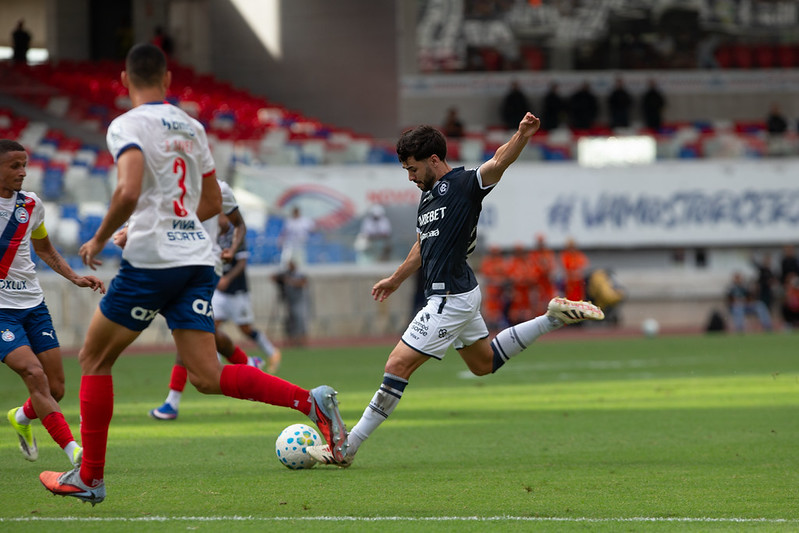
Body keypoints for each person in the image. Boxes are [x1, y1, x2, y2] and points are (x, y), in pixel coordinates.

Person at [39, 43, 347, 505]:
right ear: (167, 80)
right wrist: (166, 221)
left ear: (125, 80)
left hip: (153, 261)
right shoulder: (191, 126)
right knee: (205, 373)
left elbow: (126, 189)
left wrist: (104, 237)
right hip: (197, 258)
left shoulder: (127, 124)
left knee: (93, 359)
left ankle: (90, 476)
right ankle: (311, 401)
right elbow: (209, 202)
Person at [306, 113, 604, 467]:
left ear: (434, 160)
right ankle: (551, 319)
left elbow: (498, 162)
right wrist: (395, 279)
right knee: (483, 363)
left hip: (451, 297)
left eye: (413, 169)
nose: (410, 177)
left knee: (398, 363)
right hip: (455, 293)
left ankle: (347, 447)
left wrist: (522, 134)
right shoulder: (427, 198)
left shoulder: (464, 185)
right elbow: (422, 246)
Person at [0, 139, 105, 469]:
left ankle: (20, 416)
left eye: (24, 164)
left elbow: (44, 249)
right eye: (14, 166)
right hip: (2, 311)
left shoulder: (31, 205)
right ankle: (75, 453)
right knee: (34, 373)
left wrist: (74, 277)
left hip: (33, 305)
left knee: (55, 388)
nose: (22, 172)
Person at [148, 188, 282, 421]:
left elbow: (229, 223)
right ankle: (247, 364)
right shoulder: (182, 185)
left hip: (203, 271)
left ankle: (172, 401)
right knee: (204, 330)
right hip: (191, 270)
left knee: (188, 332)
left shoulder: (213, 188)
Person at [272, 259, 310, 348]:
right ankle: (292, 341)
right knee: (290, 322)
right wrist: (281, 277)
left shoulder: (299, 274)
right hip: (289, 302)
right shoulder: (286, 274)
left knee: (300, 321)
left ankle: (302, 341)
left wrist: (289, 280)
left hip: (299, 301)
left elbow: (303, 282)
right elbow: (273, 277)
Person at [560, 238, 589, 302]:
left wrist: (576, 272)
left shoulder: (579, 255)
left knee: (580, 300)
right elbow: (566, 268)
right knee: (570, 300)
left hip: (579, 283)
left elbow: (584, 266)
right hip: (570, 283)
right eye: (570, 247)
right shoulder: (565, 256)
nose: (571, 249)